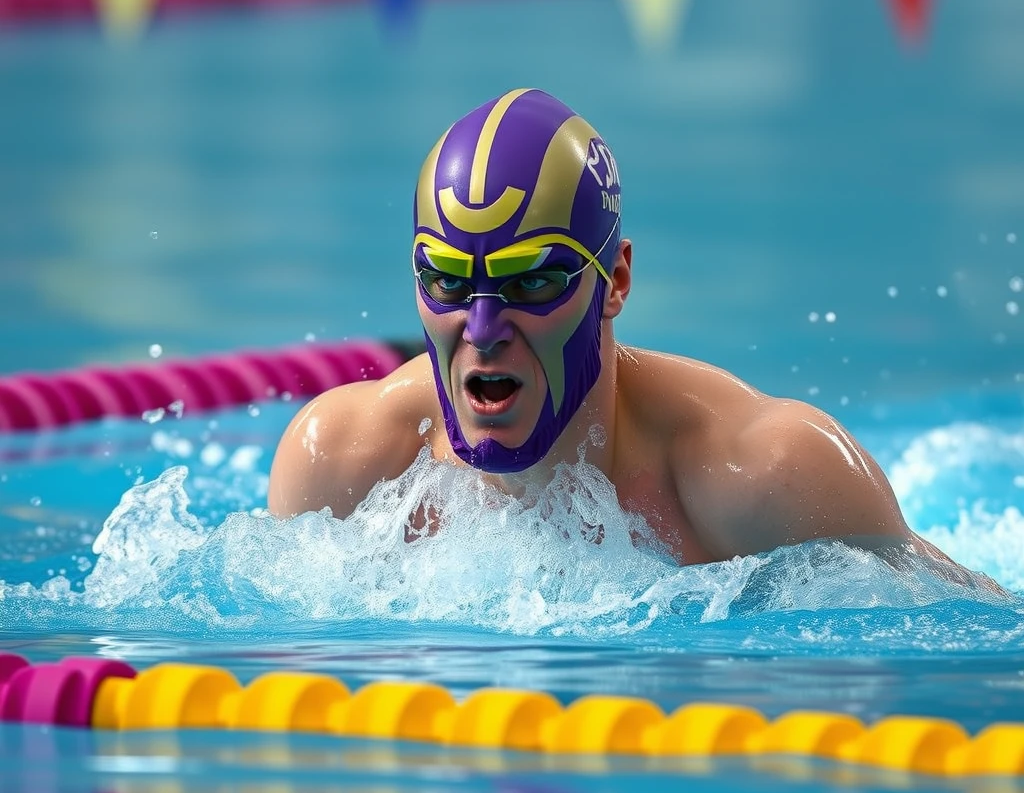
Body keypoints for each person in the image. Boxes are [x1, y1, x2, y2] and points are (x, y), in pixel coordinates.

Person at [267, 88, 974, 576]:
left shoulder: (769, 479)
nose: (482, 330)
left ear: (617, 282)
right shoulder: (344, 468)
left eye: (532, 280)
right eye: (448, 280)